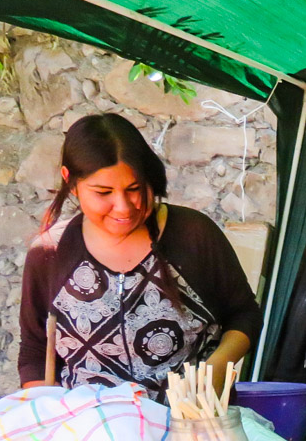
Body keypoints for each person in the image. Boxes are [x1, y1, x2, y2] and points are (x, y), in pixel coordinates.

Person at [18, 114, 261, 400]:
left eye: (134, 189)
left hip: (191, 429)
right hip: (91, 433)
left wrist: (218, 367)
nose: (123, 207)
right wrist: (46, 412)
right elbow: (35, 347)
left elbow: (244, 314)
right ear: (70, 181)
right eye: (103, 192)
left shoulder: (194, 234)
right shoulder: (50, 252)